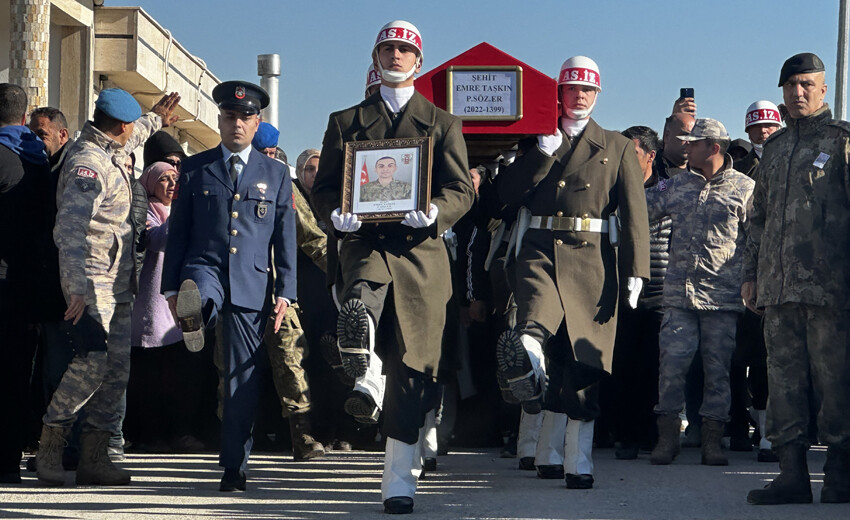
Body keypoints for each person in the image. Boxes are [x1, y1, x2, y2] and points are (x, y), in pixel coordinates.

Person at [311, 20, 474, 514]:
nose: (396, 55)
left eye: (405, 49)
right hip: (367, 244)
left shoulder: (443, 123)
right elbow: (324, 189)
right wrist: (334, 214)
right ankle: (365, 363)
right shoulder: (346, 121)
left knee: (415, 372)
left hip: (421, 255)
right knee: (360, 302)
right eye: (388, 48)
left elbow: (461, 190)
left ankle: (398, 478)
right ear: (376, 57)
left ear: (418, 62)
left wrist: (436, 213)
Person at [494, 56, 650, 490]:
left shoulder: (616, 145)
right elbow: (505, 195)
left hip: (593, 261)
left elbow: (634, 212)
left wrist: (637, 270)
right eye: (570, 88)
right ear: (557, 92)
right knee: (534, 329)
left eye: (587, 90)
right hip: (539, 251)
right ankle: (527, 365)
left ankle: (571, 457)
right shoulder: (537, 140)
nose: (578, 96)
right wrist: (539, 153)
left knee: (582, 363)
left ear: (597, 95)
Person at [37, 88, 180, 486]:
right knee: (91, 363)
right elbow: (69, 230)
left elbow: (133, 137)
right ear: (118, 124)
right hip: (91, 280)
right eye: (131, 125)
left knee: (116, 371)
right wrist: (76, 289)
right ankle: (50, 444)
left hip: (118, 284)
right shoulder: (88, 164)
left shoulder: (110, 149)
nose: (133, 132)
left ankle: (95, 458)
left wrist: (154, 120)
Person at [162, 80, 297, 492]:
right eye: (229, 117)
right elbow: (179, 231)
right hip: (204, 266)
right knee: (199, 294)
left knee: (242, 378)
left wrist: (286, 292)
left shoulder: (275, 173)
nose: (236, 124)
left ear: (257, 123)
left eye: (244, 117)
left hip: (251, 283)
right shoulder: (196, 167)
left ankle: (234, 465)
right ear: (219, 120)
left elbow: (284, 237)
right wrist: (170, 289)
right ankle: (195, 315)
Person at [744, 52, 850, 505]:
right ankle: (791, 474)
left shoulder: (843, 142)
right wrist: (750, 275)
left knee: (837, 381)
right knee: (783, 382)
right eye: (791, 86)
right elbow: (758, 219)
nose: (798, 92)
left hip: (832, 290)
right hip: (779, 289)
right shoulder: (776, 147)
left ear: (823, 90)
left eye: (807, 84)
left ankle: (842, 471)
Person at [643, 118, 754, 467]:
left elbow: (756, 240)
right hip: (678, 297)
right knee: (671, 367)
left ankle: (712, 439)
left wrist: (752, 280)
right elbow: (642, 209)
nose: (686, 147)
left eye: (694, 143)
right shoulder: (675, 186)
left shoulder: (745, 188)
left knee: (717, 371)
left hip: (722, 299)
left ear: (714, 148)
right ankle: (667, 437)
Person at [0, 83, 49, 483]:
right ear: (22, 117)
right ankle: (8, 459)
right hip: (28, 285)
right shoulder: (40, 162)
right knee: (18, 373)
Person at [609, 126, 663, 460]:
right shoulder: (610, 191)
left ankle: (649, 433)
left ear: (650, 157)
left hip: (659, 291)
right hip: (619, 290)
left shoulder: (668, 190)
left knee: (653, 367)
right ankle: (623, 434)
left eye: (633, 154)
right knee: (621, 365)